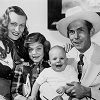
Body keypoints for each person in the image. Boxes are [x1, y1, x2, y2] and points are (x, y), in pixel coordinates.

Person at [56, 5, 100, 100]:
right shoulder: (64, 57)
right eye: (72, 32)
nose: (76, 36)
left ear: (91, 32)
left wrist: (87, 91)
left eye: (80, 31)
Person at [0, 6, 29, 100]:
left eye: (21, 25)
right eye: (13, 24)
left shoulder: (24, 46)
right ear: (5, 23)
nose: (17, 29)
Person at [11, 32, 51, 100]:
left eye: (38, 48)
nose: (34, 53)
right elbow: (15, 93)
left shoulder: (50, 67)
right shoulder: (21, 67)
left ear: (45, 49)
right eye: (30, 49)